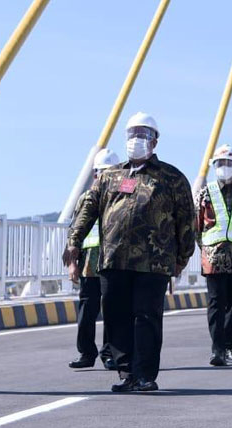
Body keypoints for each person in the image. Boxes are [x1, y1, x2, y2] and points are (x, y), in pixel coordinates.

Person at [63, 112, 195, 393]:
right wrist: (74, 242)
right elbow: (88, 211)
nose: (137, 139)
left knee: (146, 317)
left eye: (144, 134)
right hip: (113, 260)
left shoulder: (172, 178)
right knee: (116, 316)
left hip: (154, 262)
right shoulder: (111, 177)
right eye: (133, 133)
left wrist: (182, 257)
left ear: (155, 141)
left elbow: (186, 219)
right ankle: (126, 373)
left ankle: (145, 375)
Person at [195, 144, 232, 367]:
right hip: (214, 258)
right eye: (220, 164)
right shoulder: (204, 194)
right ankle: (217, 349)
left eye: (229, 164)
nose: (224, 168)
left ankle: (231, 348)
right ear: (213, 167)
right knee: (216, 304)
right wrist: (206, 249)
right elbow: (196, 226)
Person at [66, 148, 118, 370]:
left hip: (113, 260)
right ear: (95, 174)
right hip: (89, 262)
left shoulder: (121, 198)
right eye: (100, 172)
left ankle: (110, 353)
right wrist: (72, 263)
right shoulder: (85, 198)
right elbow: (74, 230)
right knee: (87, 310)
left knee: (113, 309)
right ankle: (86, 353)